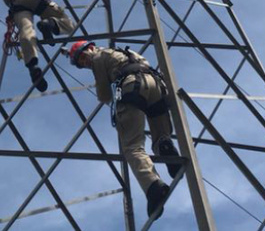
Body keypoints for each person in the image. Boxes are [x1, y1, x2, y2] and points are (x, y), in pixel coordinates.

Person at [66, 40, 182, 221]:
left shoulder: (98, 56)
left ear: (89, 48)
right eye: (81, 63)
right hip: (156, 84)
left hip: (131, 87)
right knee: (160, 132)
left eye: (82, 58)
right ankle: (166, 149)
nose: (84, 63)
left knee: (132, 146)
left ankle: (153, 186)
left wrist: (106, 82)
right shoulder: (124, 52)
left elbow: (104, 95)